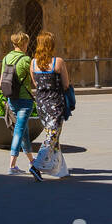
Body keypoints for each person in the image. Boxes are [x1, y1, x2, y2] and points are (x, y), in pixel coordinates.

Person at [29, 31, 71, 180]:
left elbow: (35, 83)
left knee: (53, 135)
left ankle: (60, 169)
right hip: (55, 104)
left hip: (41, 104)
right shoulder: (58, 62)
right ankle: (36, 165)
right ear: (51, 45)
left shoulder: (33, 63)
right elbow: (66, 84)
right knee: (52, 135)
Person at [0, 31, 36, 176]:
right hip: (25, 100)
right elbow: (34, 80)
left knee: (24, 132)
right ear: (23, 43)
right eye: (27, 42)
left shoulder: (6, 58)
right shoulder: (26, 60)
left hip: (11, 99)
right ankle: (12, 165)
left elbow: (1, 81)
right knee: (19, 132)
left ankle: (32, 161)